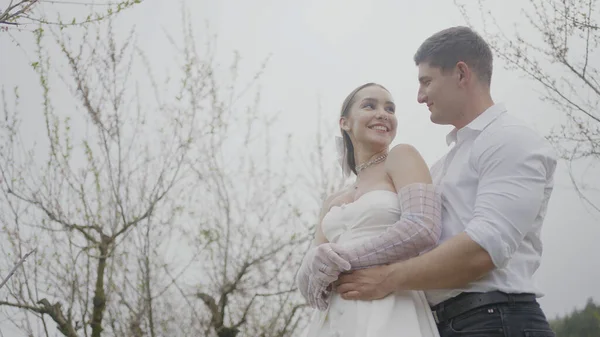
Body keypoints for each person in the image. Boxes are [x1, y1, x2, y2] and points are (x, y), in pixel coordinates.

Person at [330, 26, 558, 337]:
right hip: (444, 324)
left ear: (461, 74)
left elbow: (484, 249)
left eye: (426, 82)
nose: (420, 96)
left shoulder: (511, 140)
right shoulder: (442, 165)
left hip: (496, 321)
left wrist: (386, 279)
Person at [296, 82, 443, 336]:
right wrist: (312, 263)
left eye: (390, 108)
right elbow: (309, 286)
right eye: (369, 105)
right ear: (345, 123)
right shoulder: (333, 200)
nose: (383, 114)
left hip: (392, 307)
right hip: (333, 318)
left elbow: (423, 227)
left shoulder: (402, 157)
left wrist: (343, 262)